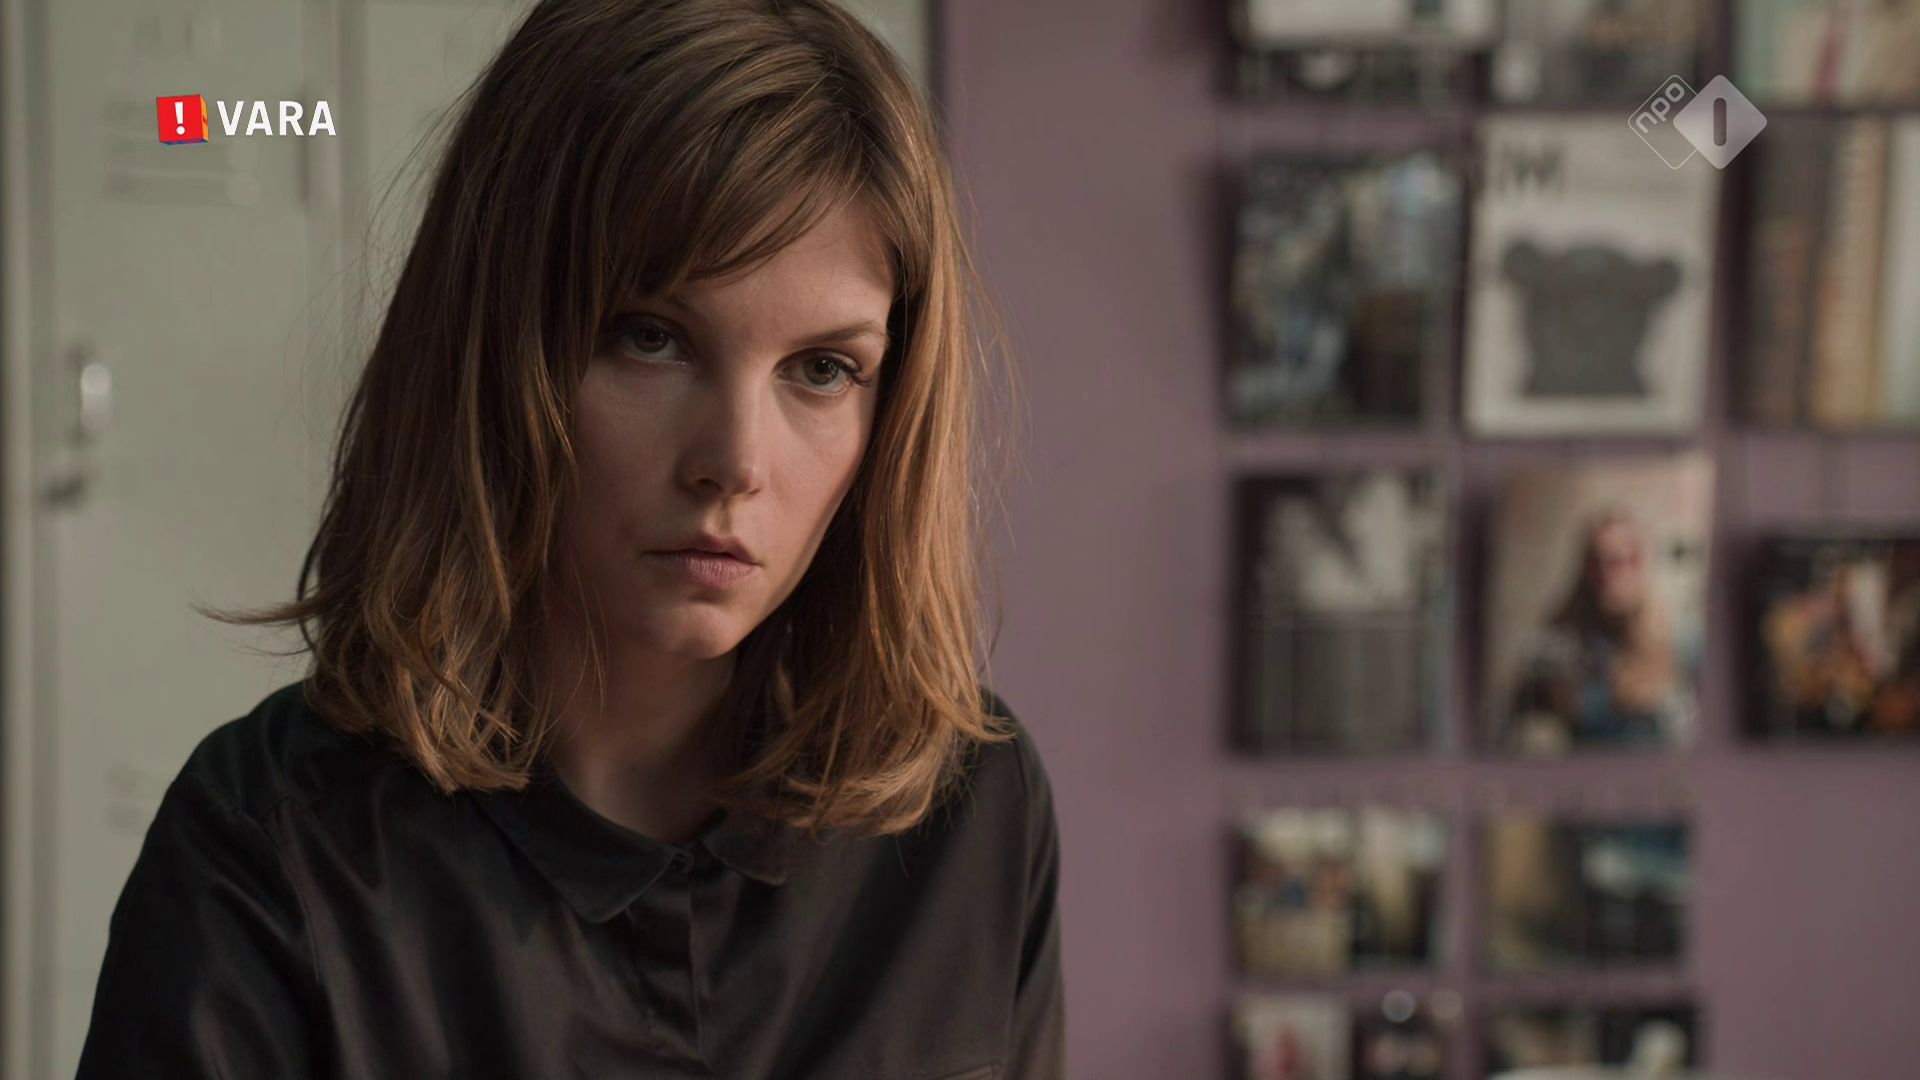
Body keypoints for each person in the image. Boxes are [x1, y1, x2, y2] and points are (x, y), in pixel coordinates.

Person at [72, 1, 1062, 1077]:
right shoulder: (265, 852)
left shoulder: (971, 813)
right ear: (496, 348)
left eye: (823, 370)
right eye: (651, 339)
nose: (736, 461)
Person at [1504, 506, 1699, 751]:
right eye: (1596, 562)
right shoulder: (1561, 638)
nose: (1606, 574)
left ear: (1637, 563)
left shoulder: (1679, 638)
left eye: (1617, 561)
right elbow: (1514, 717)